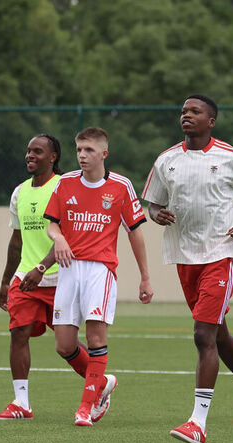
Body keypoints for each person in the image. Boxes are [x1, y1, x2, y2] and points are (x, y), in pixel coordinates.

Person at [142, 94, 233, 443]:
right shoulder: (166, 159)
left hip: (221, 253)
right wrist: (157, 214)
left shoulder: (232, 156)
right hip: (184, 256)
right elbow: (152, 201)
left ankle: (197, 422)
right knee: (218, 334)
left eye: (195, 111)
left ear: (211, 121)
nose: (187, 115)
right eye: (183, 110)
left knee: (203, 334)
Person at [43, 126, 154, 427]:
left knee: (95, 338)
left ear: (104, 153)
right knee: (64, 345)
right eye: (79, 150)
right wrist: (59, 239)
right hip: (69, 270)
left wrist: (145, 277)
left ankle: (85, 408)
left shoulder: (121, 186)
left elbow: (135, 233)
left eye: (89, 150)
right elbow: (52, 225)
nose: (82, 155)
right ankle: (102, 384)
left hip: (100, 271)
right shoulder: (64, 183)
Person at [0, 133, 90, 419]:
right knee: (18, 333)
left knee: (67, 346)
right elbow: (17, 241)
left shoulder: (66, 187)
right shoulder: (19, 192)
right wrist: (5, 281)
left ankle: (99, 383)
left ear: (53, 157)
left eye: (37, 151)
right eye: (28, 151)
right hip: (25, 277)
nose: (30, 156)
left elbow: (70, 236)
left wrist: (42, 268)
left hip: (62, 278)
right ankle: (21, 402)